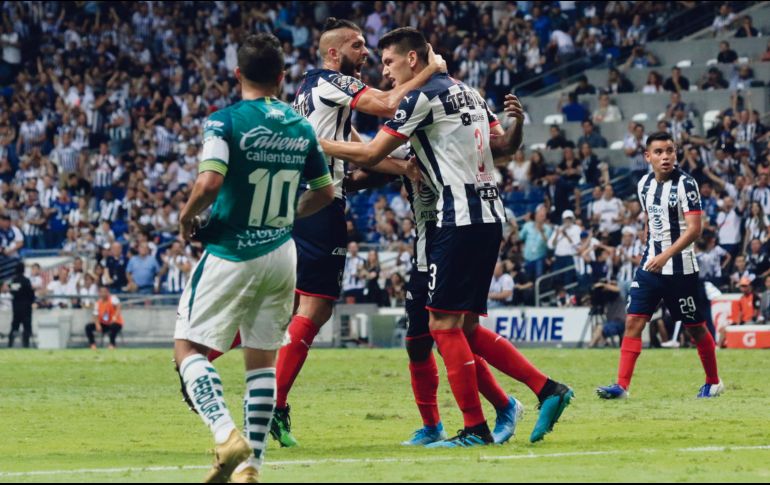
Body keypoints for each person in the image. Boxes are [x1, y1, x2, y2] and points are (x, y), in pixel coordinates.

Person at [321, 27, 573, 447]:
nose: (384, 71)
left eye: (389, 62)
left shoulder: (420, 98)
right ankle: (547, 390)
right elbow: (505, 149)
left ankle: (476, 429)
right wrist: (519, 124)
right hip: (489, 213)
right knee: (465, 327)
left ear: (413, 60)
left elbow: (370, 155)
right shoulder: (469, 93)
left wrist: (315, 141)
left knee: (441, 325)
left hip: (457, 217)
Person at [266, 19, 447, 448]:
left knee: (294, 307)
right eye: (358, 46)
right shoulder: (330, 82)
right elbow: (387, 104)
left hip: (302, 201)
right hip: (319, 203)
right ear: (334, 54)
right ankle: (272, 403)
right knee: (315, 309)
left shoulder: (313, 95)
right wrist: (430, 70)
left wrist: (404, 167)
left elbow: (362, 152)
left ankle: (232, 373)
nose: (365, 54)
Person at [172, 33, 334, 483]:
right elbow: (325, 192)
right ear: (282, 78)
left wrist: (186, 218)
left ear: (238, 74)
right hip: (282, 253)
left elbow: (208, 184)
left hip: (232, 250)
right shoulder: (301, 126)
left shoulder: (224, 122)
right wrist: (287, 216)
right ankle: (250, 469)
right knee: (262, 361)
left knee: (187, 346)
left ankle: (227, 435)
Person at [597, 132, 723, 401]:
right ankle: (621, 386)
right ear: (648, 157)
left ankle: (713, 382)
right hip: (650, 266)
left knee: (695, 327)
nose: (665, 156)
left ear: (675, 153)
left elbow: (695, 229)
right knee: (633, 321)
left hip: (680, 270)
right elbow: (651, 221)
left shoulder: (687, 185)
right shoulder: (643, 184)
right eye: (659, 152)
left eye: (669, 151)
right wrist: (651, 247)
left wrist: (665, 255)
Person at [85, 285, 124, 350]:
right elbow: (95, 315)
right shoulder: (98, 303)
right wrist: (97, 324)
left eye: (104, 292)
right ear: (99, 293)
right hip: (104, 323)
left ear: (108, 292)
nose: (103, 293)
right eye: (101, 292)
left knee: (113, 326)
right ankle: (92, 344)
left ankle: (112, 344)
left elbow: (118, 307)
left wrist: (115, 317)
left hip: (115, 322)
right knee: (88, 327)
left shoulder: (113, 298)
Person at [8, 262, 34, 348]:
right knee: (26, 328)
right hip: (26, 308)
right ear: (23, 270)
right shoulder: (26, 281)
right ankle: (25, 345)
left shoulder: (13, 281)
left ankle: (10, 345)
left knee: (14, 327)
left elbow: (12, 292)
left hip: (16, 308)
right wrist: (31, 301)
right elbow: (31, 294)